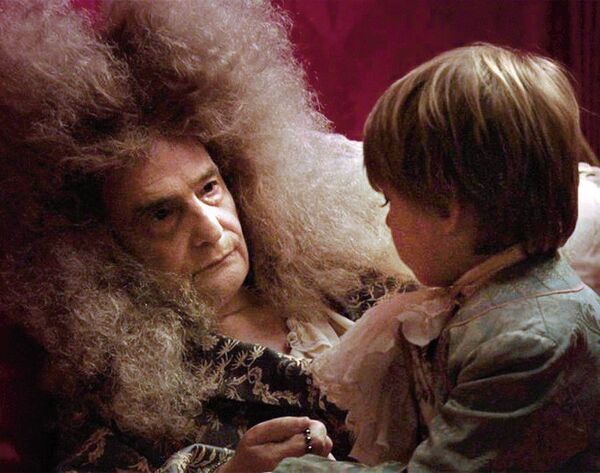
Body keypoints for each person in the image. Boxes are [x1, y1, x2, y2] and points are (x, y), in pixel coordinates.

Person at [0, 1, 409, 471]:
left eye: (209, 188)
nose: (211, 229)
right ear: (103, 251)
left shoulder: (351, 272)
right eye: (162, 214)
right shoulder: (116, 403)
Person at [276, 43, 600, 472]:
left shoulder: (528, 344)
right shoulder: (490, 301)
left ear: (448, 211)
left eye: (390, 201)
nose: (387, 220)